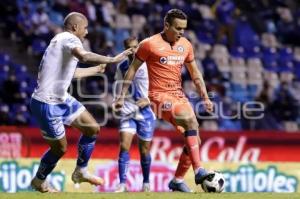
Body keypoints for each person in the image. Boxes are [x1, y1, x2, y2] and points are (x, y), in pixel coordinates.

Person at [30, 12, 133, 193]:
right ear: (75, 28)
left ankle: (81, 171)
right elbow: (83, 56)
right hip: (47, 104)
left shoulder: (60, 41)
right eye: (85, 28)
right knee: (60, 149)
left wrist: (95, 70)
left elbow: (70, 73)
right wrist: (112, 59)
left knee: (92, 128)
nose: (86, 32)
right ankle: (39, 180)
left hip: (61, 98)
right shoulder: (70, 39)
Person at [114, 9, 214, 192]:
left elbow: (195, 73)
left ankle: (176, 180)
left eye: (183, 28)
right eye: (177, 28)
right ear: (166, 25)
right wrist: (121, 95)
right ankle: (199, 170)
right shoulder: (149, 44)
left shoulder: (186, 45)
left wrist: (205, 96)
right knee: (191, 120)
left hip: (178, 95)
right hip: (157, 96)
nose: (181, 32)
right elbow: (132, 70)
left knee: (195, 141)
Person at [113, 37, 156, 192]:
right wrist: (116, 101)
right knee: (124, 146)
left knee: (144, 150)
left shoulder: (148, 65)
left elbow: (157, 88)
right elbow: (118, 87)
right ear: (125, 49)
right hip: (128, 111)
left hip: (146, 113)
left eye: (135, 47)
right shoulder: (121, 67)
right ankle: (122, 184)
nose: (133, 50)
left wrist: (149, 99)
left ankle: (146, 183)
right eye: (130, 48)